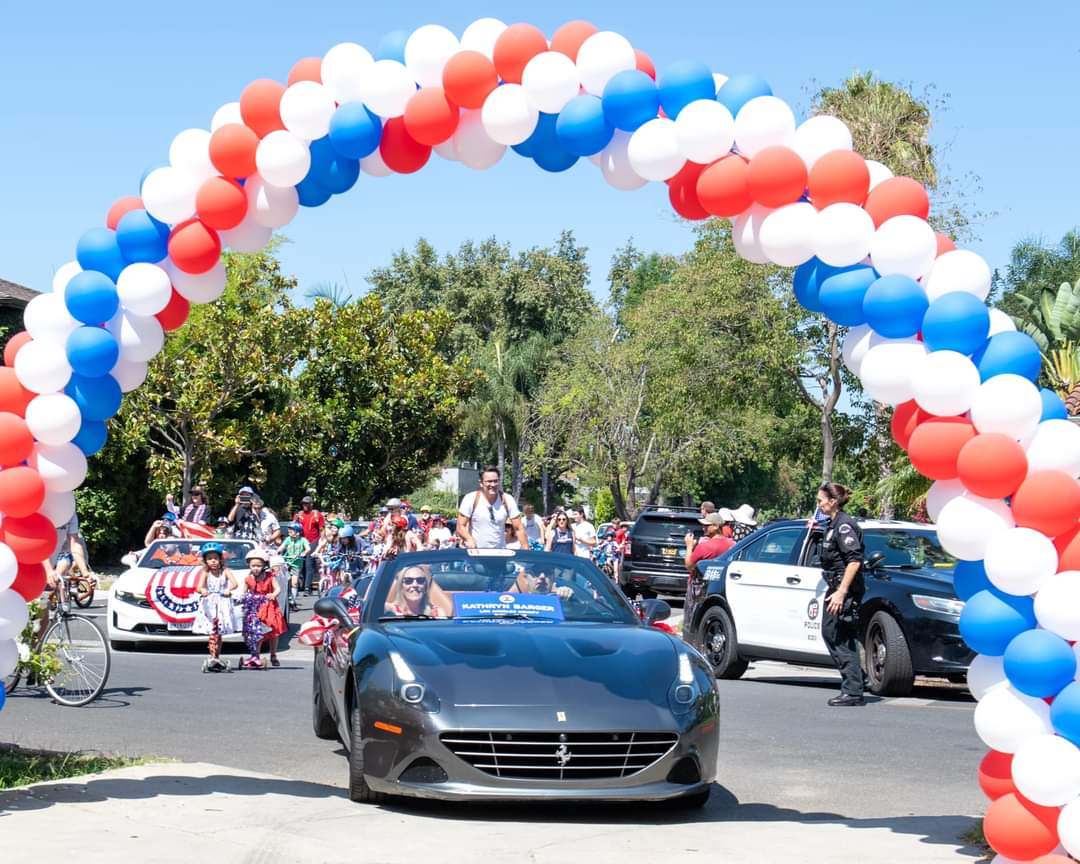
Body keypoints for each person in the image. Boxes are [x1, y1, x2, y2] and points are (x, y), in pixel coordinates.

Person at [816, 482, 867, 707]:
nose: (818, 505)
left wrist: (841, 592)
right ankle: (856, 678)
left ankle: (853, 690)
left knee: (837, 634)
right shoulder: (832, 524)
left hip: (843, 589)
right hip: (835, 586)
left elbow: (854, 560)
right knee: (833, 633)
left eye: (820, 500)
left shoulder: (844, 526)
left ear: (832, 501)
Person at [192, 542, 237, 673]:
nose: (213, 561)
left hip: (222, 601)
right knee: (212, 631)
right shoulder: (205, 572)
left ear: (220, 559)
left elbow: (234, 583)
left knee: (220, 631)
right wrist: (203, 590)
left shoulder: (225, 571)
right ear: (205, 561)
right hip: (210, 603)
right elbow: (199, 587)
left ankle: (217, 656)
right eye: (210, 559)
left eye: (215, 558)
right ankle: (212, 656)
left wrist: (228, 589)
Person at [457, 466, 527, 549]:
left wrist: (526, 552)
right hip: (476, 553)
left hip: (500, 553)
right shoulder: (471, 498)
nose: (493, 484)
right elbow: (460, 526)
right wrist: (469, 539)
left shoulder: (507, 499)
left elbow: (519, 528)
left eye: (495, 481)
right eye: (489, 481)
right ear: (481, 483)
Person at [240, 548, 286, 669]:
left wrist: (273, 594)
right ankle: (256, 655)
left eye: (259, 565)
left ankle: (273, 654)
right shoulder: (248, 579)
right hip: (255, 608)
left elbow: (278, 588)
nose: (256, 568)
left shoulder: (270, 577)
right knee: (256, 632)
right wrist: (242, 597)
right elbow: (243, 592)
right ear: (249, 565)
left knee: (273, 632)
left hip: (269, 607)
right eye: (253, 565)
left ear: (264, 565)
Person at [293, 496, 325, 596]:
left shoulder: (317, 515)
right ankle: (301, 586)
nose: (305, 505)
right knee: (300, 564)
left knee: (309, 564)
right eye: (303, 504)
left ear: (311, 504)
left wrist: (321, 542)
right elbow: (294, 527)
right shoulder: (299, 515)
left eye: (307, 503)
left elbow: (322, 529)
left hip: (313, 541)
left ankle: (307, 588)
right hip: (301, 541)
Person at [277, 522, 309, 611]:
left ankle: (293, 602)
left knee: (294, 583)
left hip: (296, 564)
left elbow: (308, 549)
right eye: (289, 530)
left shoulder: (303, 540)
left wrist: (303, 553)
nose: (289, 531)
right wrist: (277, 552)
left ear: (298, 532)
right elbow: (281, 547)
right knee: (282, 582)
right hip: (286, 563)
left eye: (291, 530)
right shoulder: (288, 539)